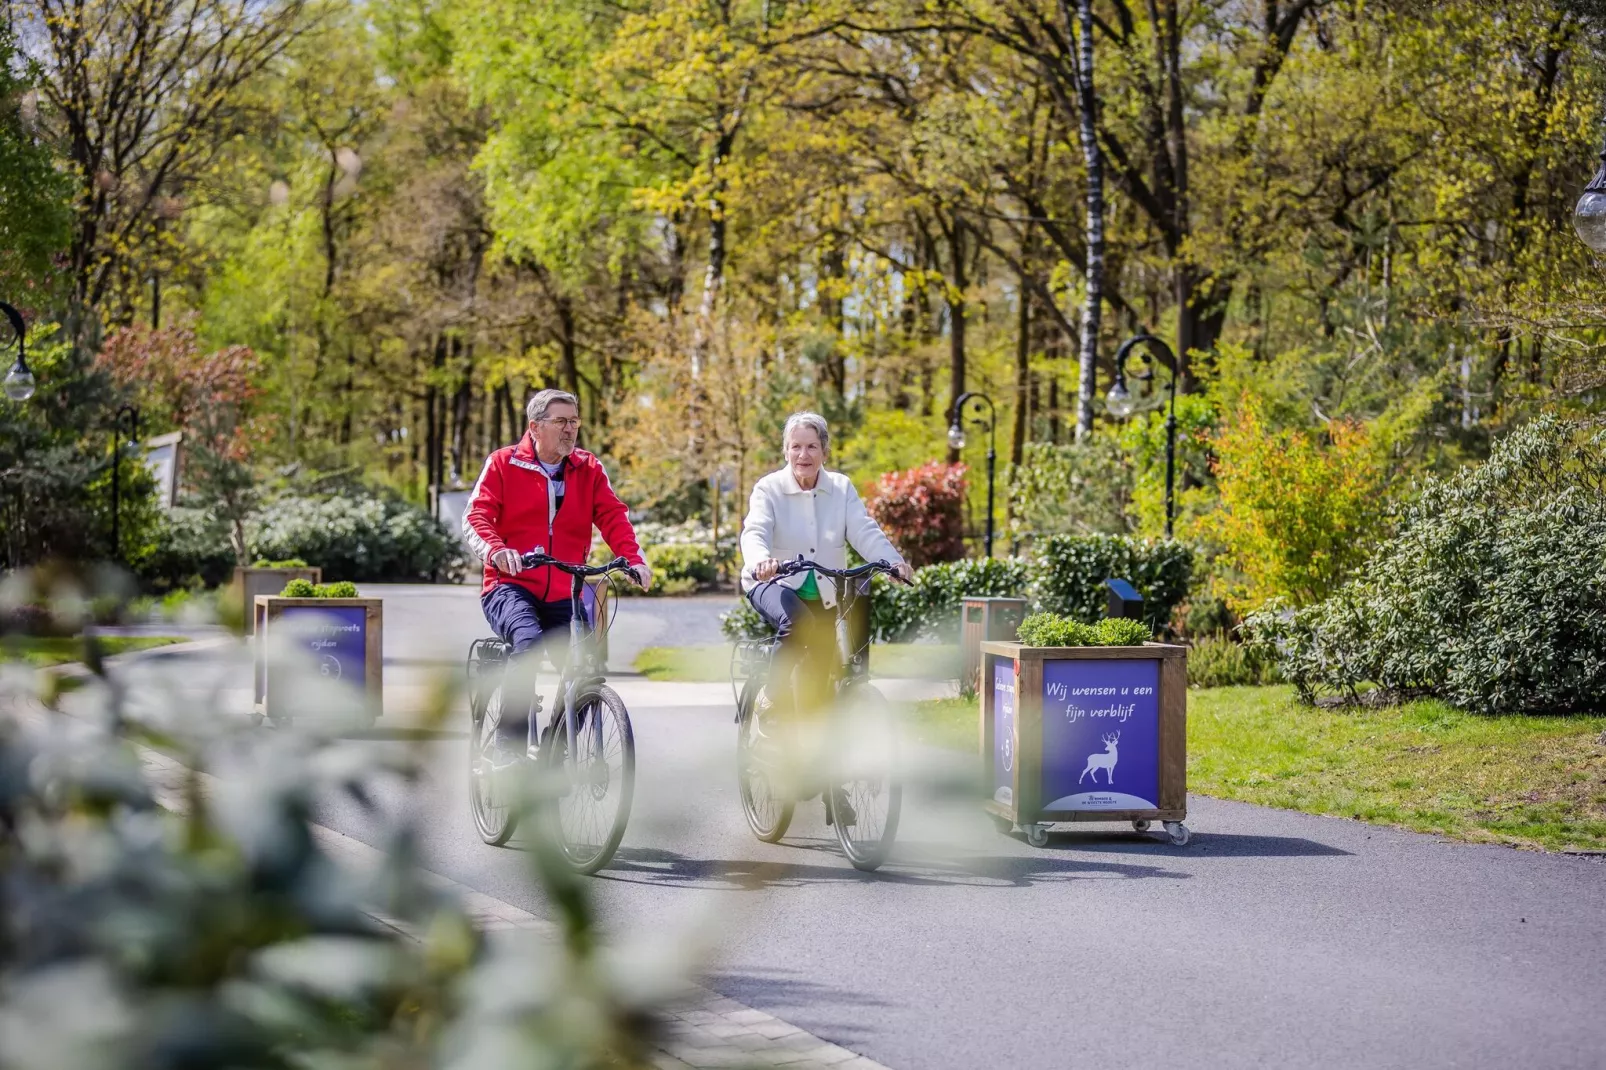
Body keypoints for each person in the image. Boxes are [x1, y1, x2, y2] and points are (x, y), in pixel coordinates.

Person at [740, 412, 913, 819]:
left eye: (811, 446)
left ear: (824, 450)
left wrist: (892, 562)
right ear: (786, 450)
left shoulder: (840, 488)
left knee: (830, 681)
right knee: (797, 622)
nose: (803, 454)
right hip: (773, 584)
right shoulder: (769, 488)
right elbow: (755, 531)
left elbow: (864, 530)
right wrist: (762, 560)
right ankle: (772, 698)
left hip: (826, 590)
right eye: (796, 446)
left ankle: (827, 781)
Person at [463, 388, 652, 758]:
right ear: (535, 427)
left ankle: (557, 745)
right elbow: (476, 516)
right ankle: (508, 745)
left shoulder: (589, 468)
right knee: (530, 645)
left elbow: (612, 515)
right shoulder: (503, 463)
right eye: (561, 421)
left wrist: (633, 558)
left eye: (574, 421)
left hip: (564, 592)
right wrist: (497, 551)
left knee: (584, 665)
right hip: (509, 586)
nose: (570, 429)